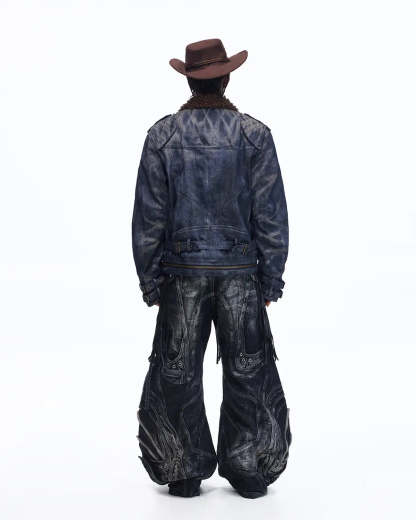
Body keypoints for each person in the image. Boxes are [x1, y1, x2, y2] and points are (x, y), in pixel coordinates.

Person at [132, 38, 292, 499]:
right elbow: (270, 215)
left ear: (189, 82)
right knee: (249, 370)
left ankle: (183, 470)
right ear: (226, 79)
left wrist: (151, 281)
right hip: (241, 273)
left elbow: (149, 217)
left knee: (177, 371)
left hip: (181, 274)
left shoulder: (162, 136)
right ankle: (248, 468)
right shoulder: (254, 135)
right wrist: (270, 278)